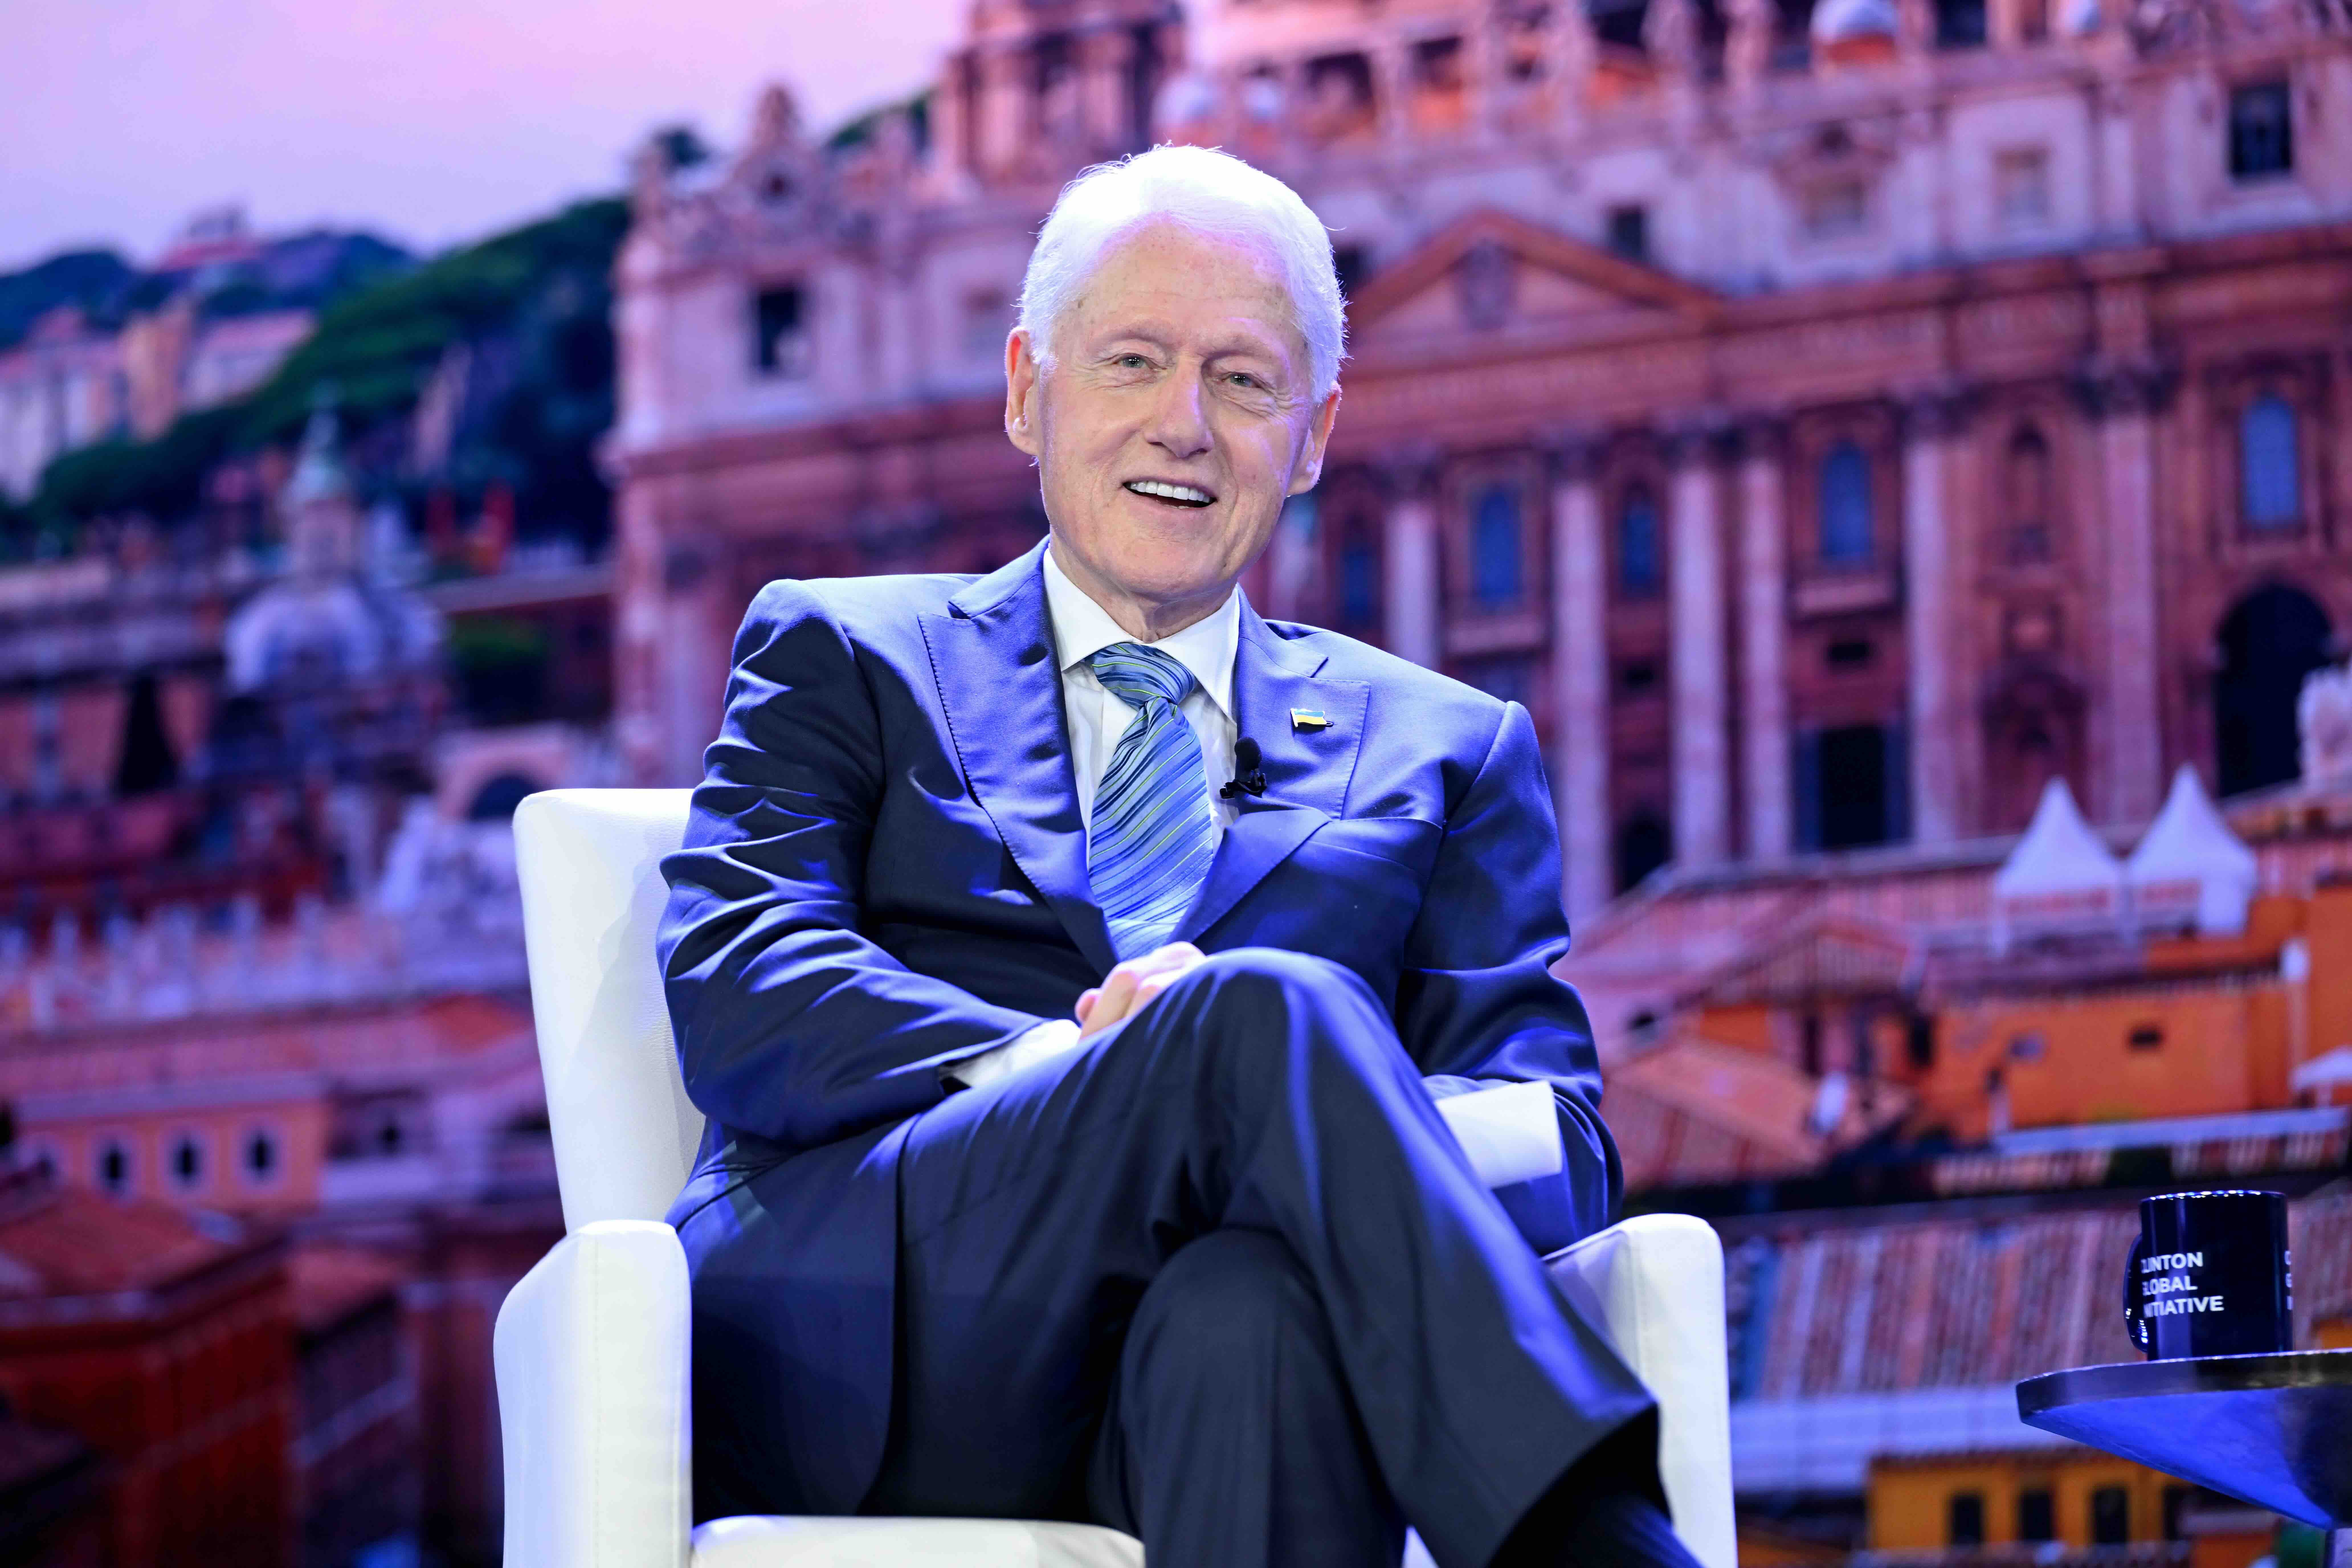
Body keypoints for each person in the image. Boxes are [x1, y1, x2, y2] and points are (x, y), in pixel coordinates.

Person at [658, 144, 1697, 1568]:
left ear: (1315, 434)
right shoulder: (842, 647)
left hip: (1239, 1368)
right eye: (1134, 361)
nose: (1185, 426)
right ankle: (1599, 1541)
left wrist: (1293, 1126)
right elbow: (740, 981)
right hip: (893, 1336)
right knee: (1259, 1006)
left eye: (1246, 381)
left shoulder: (1454, 747)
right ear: (1028, 388)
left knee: (1250, 1309)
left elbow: (1556, 1135)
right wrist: (1118, 1065)